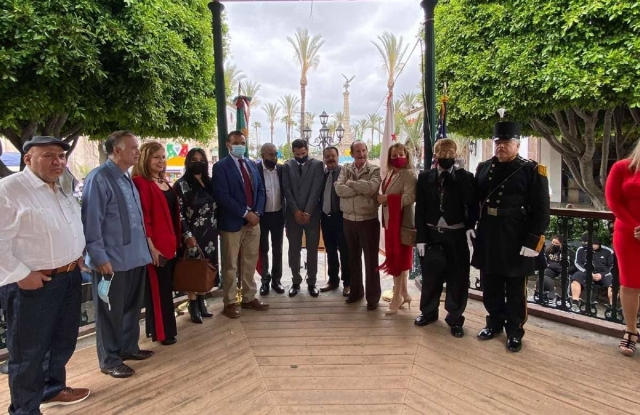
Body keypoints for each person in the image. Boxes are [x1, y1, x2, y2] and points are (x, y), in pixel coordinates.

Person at [0, 136, 90, 413]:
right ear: (27, 158)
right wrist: (20, 274)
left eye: (61, 156)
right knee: (28, 352)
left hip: (69, 277)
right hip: (33, 283)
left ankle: (51, 388)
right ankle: (24, 409)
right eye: (49, 155)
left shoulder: (59, 188)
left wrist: (77, 255)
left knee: (61, 341)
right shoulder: (10, 189)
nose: (58, 161)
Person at [470, 122, 550, 352]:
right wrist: (471, 225)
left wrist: (533, 239)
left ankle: (514, 331)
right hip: (489, 234)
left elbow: (542, 209)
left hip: (516, 236)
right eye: (498, 142)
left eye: (506, 143)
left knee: (515, 288)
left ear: (517, 144)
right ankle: (494, 323)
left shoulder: (532, 170)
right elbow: (476, 200)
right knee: (490, 284)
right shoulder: (484, 168)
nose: (501, 147)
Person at [83, 131, 153, 378]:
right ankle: (110, 359)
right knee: (109, 312)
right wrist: (100, 258)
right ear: (117, 150)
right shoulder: (99, 178)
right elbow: (92, 222)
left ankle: (128, 347)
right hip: (111, 261)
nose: (137, 151)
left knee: (132, 307)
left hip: (135, 257)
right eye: (133, 147)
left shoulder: (126, 178)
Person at [414, 139, 478, 337]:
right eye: (442, 151)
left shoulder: (465, 177)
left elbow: (473, 204)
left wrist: (469, 227)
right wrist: (421, 239)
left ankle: (455, 318)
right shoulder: (424, 178)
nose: (447, 155)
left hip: (456, 235)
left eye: (451, 152)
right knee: (431, 277)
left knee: (457, 278)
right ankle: (428, 312)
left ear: (456, 153)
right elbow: (421, 211)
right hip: (433, 235)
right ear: (435, 154)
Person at [212, 131, 269, 318]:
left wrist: (257, 213)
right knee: (230, 264)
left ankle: (248, 297)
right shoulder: (220, 167)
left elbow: (260, 189)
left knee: (250, 261)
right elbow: (223, 196)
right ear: (228, 144)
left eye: (242, 143)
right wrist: (246, 213)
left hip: (254, 223)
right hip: (232, 222)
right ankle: (229, 302)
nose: (239, 146)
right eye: (236, 143)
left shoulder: (252, 164)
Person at [132, 141, 182, 345]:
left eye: (163, 157)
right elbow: (144, 218)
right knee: (158, 292)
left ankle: (158, 329)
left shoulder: (164, 181)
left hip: (171, 245)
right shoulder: (141, 182)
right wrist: (151, 247)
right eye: (156, 157)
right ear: (146, 158)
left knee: (164, 290)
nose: (161, 161)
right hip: (156, 248)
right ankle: (163, 333)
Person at [335, 141, 382, 310]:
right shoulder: (345, 168)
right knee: (352, 259)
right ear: (352, 153)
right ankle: (356, 292)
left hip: (368, 221)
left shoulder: (374, 170)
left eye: (363, 150)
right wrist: (359, 188)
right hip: (348, 220)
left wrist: (352, 184)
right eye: (357, 151)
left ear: (367, 151)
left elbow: (371, 188)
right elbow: (339, 189)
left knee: (371, 261)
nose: (361, 153)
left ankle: (373, 297)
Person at [173, 148, 218, 323]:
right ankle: (193, 306)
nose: (198, 162)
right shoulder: (181, 184)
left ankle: (202, 302)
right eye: (194, 159)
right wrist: (187, 234)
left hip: (210, 233)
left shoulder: (210, 182)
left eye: (201, 159)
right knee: (192, 269)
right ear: (188, 162)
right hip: (191, 234)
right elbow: (179, 213)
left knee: (205, 268)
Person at [605, 144, 640, 356]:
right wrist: (635, 226)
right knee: (630, 285)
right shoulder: (622, 168)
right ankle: (630, 331)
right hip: (628, 234)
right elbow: (613, 201)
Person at [282, 139, 325, 297]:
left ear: (308, 150)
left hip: (312, 215)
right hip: (293, 216)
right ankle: (295, 281)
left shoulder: (317, 165)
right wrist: (295, 211)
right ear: (293, 152)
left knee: (313, 249)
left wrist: (307, 212)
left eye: (303, 153)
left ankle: (312, 282)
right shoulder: (287, 166)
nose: (300, 156)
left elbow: (316, 189)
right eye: (297, 154)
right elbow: (286, 189)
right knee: (294, 249)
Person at [377, 143, 416, 314]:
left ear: (407, 156)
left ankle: (397, 297)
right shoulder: (391, 173)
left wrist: (387, 198)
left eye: (401, 154)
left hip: (402, 223)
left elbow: (410, 197)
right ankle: (405, 293)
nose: (398, 158)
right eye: (394, 155)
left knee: (399, 260)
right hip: (390, 221)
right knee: (398, 258)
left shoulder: (409, 175)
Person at [319, 146, 351, 297]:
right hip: (325, 218)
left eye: (333, 155)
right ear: (324, 158)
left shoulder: (344, 174)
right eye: (327, 156)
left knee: (345, 251)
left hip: (341, 217)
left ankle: (348, 283)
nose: (330, 158)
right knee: (330, 251)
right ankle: (333, 280)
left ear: (338, 157)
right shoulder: (322, 175)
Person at [257, 143, 285, 296]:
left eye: (275, 154)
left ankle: (276, 280)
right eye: (269, 154)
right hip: (262, 216)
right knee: (263, 249)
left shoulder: (281, 169)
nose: (273, 157)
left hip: (278, 214)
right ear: (262, 156)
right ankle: (265, 281)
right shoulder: (256, 170)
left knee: (277, 249)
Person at [570, 232, 614, 310]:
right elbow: (578, 263)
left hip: (604, 274)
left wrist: (602, 275)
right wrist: (587, 272)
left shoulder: (608, 251)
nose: (585, 246)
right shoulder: (581, 250)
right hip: (586, 271)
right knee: (577, 277)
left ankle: (612, 308)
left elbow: (612, 266)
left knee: (613, 283)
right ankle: (575, 302)